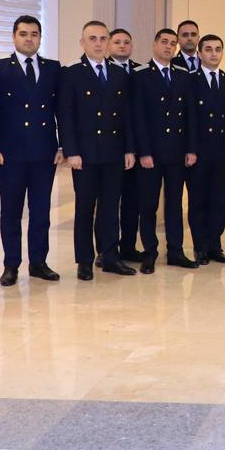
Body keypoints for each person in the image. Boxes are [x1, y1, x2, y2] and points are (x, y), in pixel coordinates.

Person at [0, 15, 63, 286]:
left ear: (40, 37)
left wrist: (63, 144)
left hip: (44, 151)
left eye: (34, 34)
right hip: (10, 152)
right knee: (11, 212)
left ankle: (38, 262)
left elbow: (61, 110)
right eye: (23, 34)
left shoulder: (53, 68)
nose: (29, 39)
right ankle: (11, 265)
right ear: (14, 37)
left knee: (41, 211)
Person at [58, 20, 137, 280]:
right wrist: (72, 151)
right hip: (85, 154)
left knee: (110, 207)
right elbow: (66, 116)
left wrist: (129, 149)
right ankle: (84, 260)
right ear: (83, 43)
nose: (98, 43)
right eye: (92, 39)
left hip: (113, 151)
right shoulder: (71, 73)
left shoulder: (119, 74)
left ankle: (110, 256)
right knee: (85, 208)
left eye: (103, 38)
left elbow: (126, 115)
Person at [131, 28, 199, 273]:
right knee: (148, 204)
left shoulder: (182, 75)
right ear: (154, 45)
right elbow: (138, 117)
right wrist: (144, 152)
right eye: (164, 42)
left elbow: (190, 115)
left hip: (177, 151)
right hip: (151, 153)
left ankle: (176, 251)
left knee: (174, 203)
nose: (169, 47)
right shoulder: (140, 75)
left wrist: (191, 148)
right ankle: (150, 251)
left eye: (173, 43)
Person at [186, 34, 225, 264]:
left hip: (222, 151)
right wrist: (190, 149)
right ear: (199, 54)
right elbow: (188, 118)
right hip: (198, 152)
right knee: (198, 200)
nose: (213, 53)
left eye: (218, 49)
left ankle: (215, 245)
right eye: (208, 49)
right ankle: (200, 246)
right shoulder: (189, 80)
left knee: (218, 200)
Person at [110, 28, 147, 262]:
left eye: (126, 42)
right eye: (117, 42)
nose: (122, 46)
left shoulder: (141, 71)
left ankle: (128, 247)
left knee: (133, 202)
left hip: (136, 147)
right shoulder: (102, 69)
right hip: (110, 146)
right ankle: (106, 249)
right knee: (109, 203)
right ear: (109, 45)